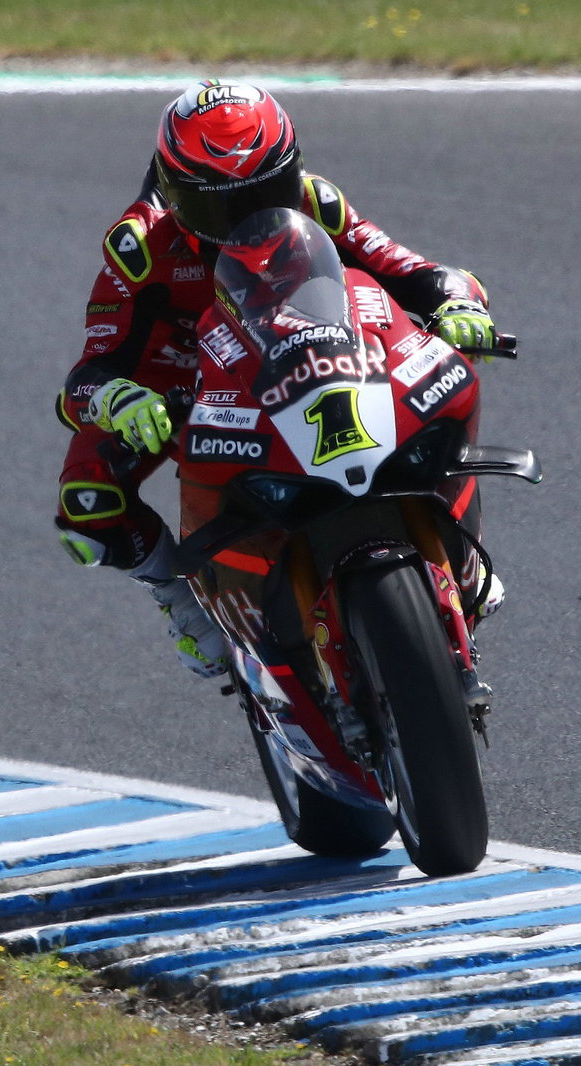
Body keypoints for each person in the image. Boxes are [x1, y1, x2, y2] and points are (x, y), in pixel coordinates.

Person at [55, 79, 501, 679]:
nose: (249, 220)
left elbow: (417, 271)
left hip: (309, 349)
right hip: (188, 383)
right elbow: (88, 373)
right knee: (87, 503)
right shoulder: (144, 247)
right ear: (175, 192)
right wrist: (118, 398)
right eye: (223, 205)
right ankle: (181, 599)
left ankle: (453, 545)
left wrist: (460, 304)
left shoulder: (318, 203)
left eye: (269, 192)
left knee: (435, 390)